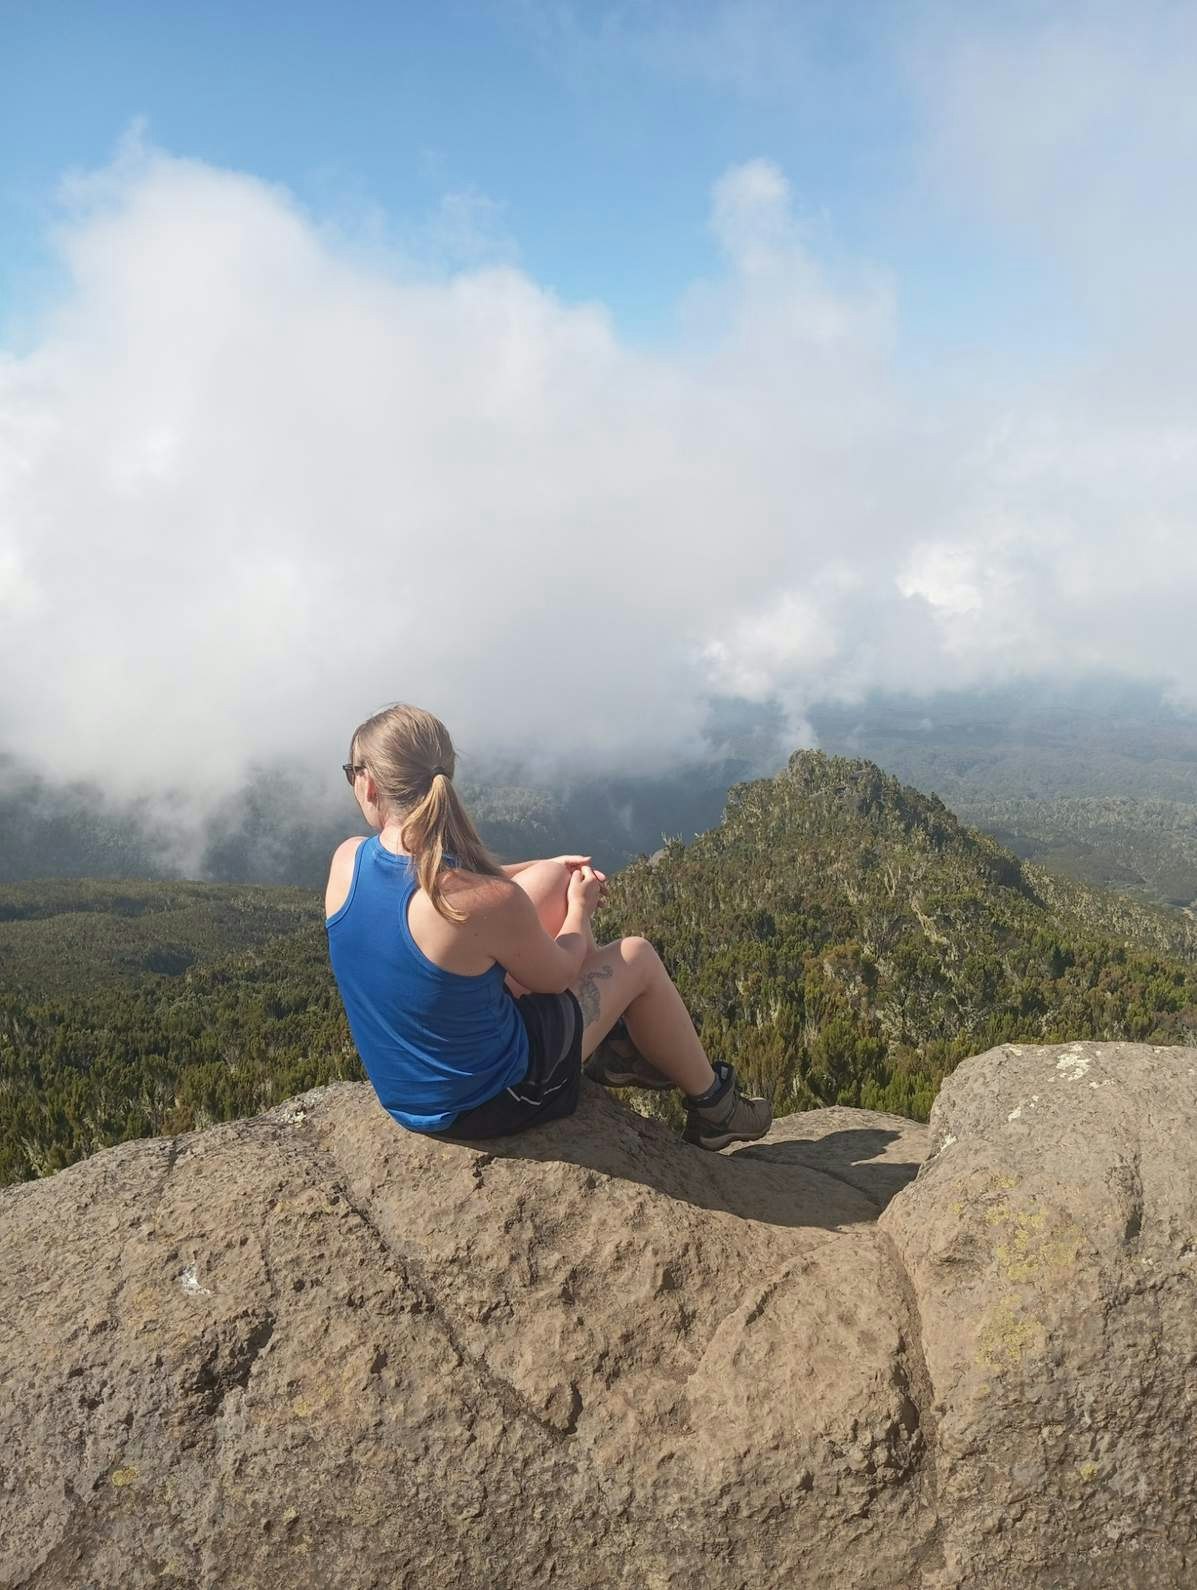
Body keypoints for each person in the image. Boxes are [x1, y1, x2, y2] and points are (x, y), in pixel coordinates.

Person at [324, 703, 772, 1151]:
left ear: (370, 782)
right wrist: (580, 908)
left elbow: (448, 883)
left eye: (351, 773)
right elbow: (559, 974)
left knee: (552, 879)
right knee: (637, 955)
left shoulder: (348, 860)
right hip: (492, 1100)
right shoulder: (476, 904)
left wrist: (547, 866)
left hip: (409, 1093)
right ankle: (715, 1106)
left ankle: (615, 1048)